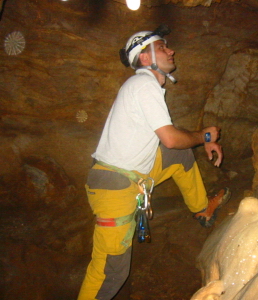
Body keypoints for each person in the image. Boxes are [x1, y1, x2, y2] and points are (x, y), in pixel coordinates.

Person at [77, 25, 231, 300]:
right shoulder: (143, 84)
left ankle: (201, 209)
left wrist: (199, 138)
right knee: (111, 272)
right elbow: (171, 137)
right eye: (162, 47)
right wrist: (204, 135)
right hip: (115, 189)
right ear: (145, 58)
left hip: (133, 176)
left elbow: (171, 144)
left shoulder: (144, 88)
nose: (171, 50)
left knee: (177, 156)